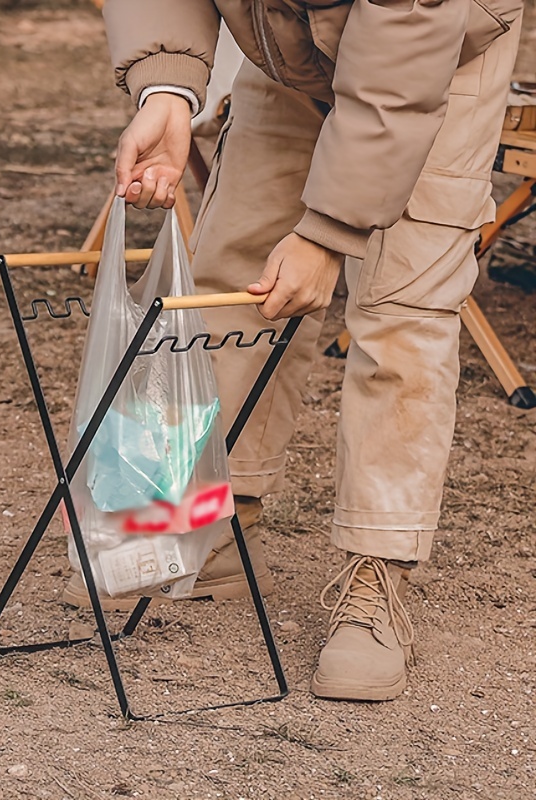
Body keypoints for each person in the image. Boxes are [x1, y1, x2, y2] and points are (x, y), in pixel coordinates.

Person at [64, 0, 523, 701]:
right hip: (283, 45)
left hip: (436, 52)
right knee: (232, 272)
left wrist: (328, 230)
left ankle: (377, 575)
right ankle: (209, 521)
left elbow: (401, 63)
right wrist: (166, 88)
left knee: (403, 307)